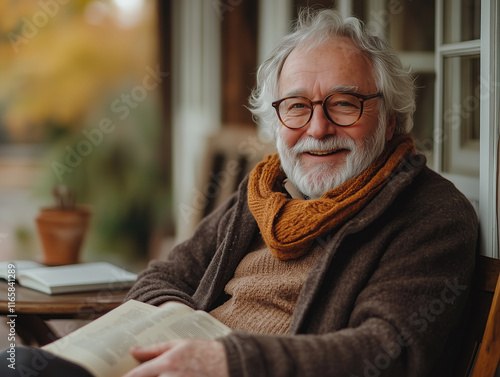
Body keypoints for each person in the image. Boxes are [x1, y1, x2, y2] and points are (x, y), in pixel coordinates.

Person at [1, 8, 478, 377]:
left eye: (345, 104)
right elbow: (162, 275)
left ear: (390, 117)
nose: (318, 128)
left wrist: (227, 360)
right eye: (296, 107)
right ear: (277, 120)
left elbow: (387, 353)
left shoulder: (430, 213)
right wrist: (177, 328)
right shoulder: (265, 193)